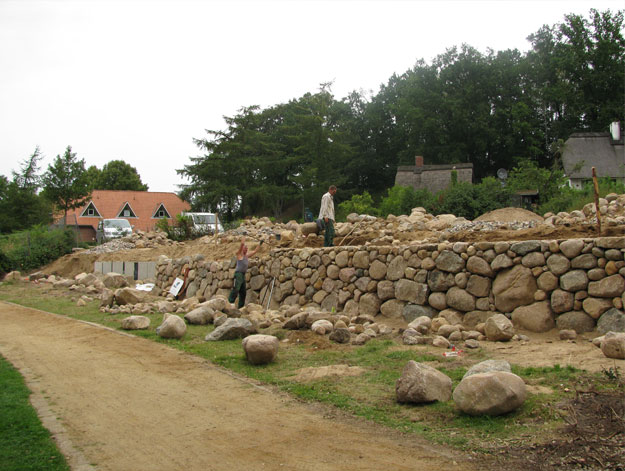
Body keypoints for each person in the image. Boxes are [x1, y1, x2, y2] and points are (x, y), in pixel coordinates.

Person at [228, 236, 262, 308]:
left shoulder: (246, 256)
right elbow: (241, 245)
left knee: (243, 292)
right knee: (236, 289)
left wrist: (260, 244)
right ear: (242, 249)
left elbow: (255, 251)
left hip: (243, 275)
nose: (246, 250)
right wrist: (243, 237)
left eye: (246, 249)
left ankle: (241, 306)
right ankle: (230, 302)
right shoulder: (239, 255)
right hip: (238, 274)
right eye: (244, 249)